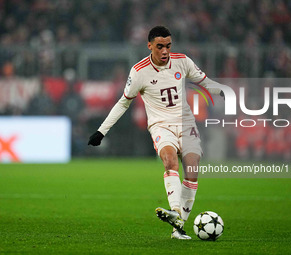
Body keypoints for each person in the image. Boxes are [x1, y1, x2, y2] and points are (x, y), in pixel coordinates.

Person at [88, 26, 224, 239]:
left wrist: (221, 89)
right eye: (160, 46)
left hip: (186, 123)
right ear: (150, 45)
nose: (165, 51)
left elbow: (204, 81)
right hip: (161, 125)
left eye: (168, 46)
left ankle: (178, 227)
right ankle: (176, 212)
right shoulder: (139, 71)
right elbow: (123, 103)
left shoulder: (182, 61)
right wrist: (101, 131)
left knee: (192, 169)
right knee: (170, 160)